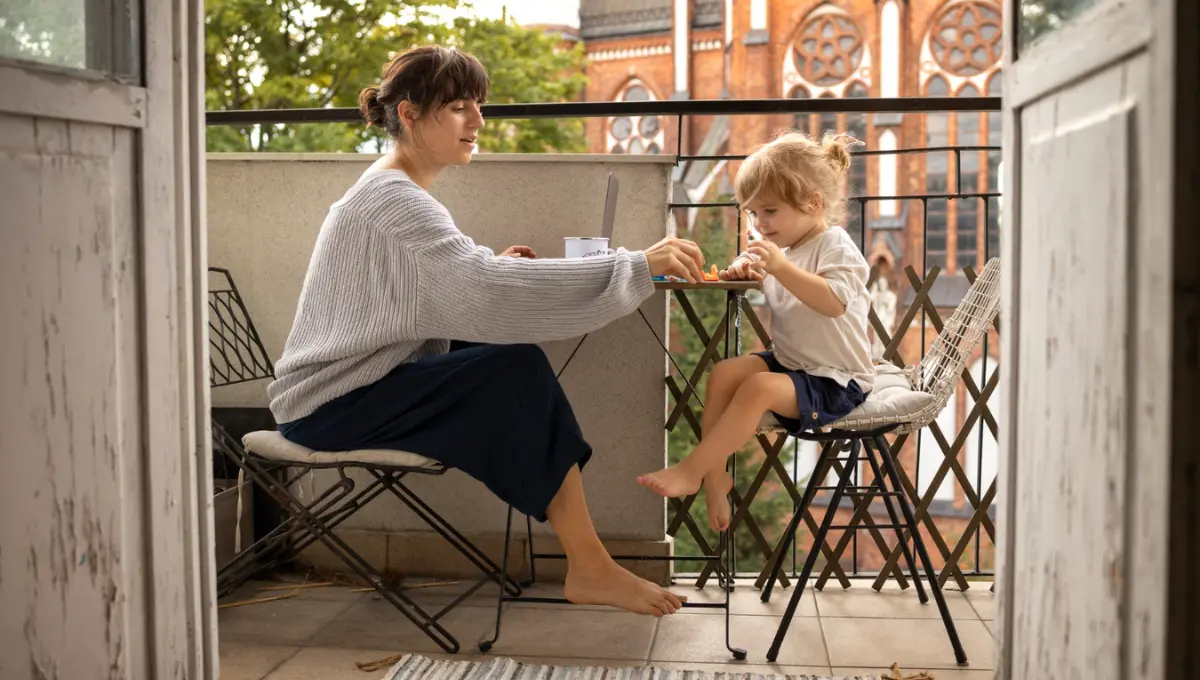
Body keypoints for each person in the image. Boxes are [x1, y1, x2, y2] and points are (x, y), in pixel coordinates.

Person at [268, 45, 706, 617]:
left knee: (510, 360)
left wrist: (487, 271)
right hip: (328, 404)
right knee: (515, 367)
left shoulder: (391, 189)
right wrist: (636, 264)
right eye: (458, 107)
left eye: (479, 105)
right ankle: (590, 565)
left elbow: (441, 286)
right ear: (409, 113)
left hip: (350, 389)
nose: (477, 121)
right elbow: (482, 288)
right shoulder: (393, 200)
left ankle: (588, 562)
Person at [637, 131, 876, 533]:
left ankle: (694, 469)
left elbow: (833, 302)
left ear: (813, 203)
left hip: (836, 378)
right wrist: (745, 272)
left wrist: (780, 268)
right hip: (794, 363)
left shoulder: (835, 245)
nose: (759, 224)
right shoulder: (780, 248)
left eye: (769, 211)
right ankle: (717, 477)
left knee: (758, 388)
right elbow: (769, 280)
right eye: (752, 214)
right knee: (724, 373)